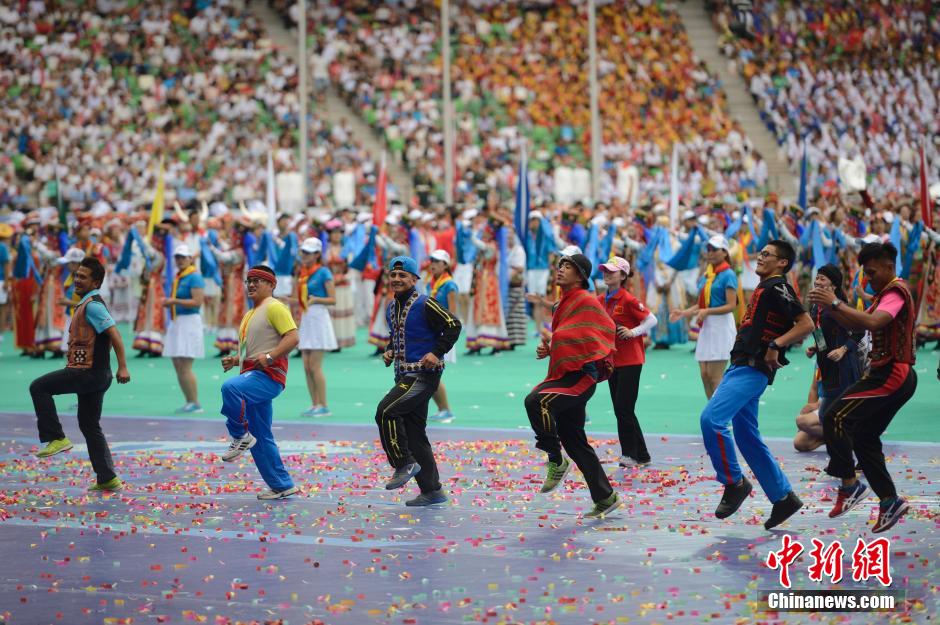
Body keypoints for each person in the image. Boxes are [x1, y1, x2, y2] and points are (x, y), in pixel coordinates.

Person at [699, 240, 814, 530]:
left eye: (766, 254)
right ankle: (783, 497)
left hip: (751, 369)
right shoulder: (765, 287)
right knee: (747, 436)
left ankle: (734, 483)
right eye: (760, 253)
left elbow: (806, 324)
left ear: (782, 263)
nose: (760, 258)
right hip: (742, 365)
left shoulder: (778, 286)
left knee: (711, 420)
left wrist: (776, 345)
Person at [808, 242, 918, 533]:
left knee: (834, 416)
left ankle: (849, 485)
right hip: (892, 374)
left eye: (871, 273)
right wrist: (830, 306)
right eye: (865, 274)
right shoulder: (884, 293)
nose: (868, 279)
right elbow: (858, 325)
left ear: (889, 267)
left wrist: (834, 303)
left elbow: (872, 321)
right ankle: (889, 501)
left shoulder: (895, 292)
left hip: (891, 374)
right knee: (863, 436)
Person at [524, 253, 622, 518]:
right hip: (566, 373)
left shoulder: (586, 301)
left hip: (581, 376)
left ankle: (556, 460)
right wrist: (551, 348)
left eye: (567, 267)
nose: (560, 270)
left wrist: (562, 342)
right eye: (560, 266)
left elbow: (604, 329)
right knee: (575, 441)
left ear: (580, 276)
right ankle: (606, 497)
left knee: (536, 401)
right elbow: (569, 336)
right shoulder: (560, 304)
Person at [29, 257, 131, 492]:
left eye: (83, 277)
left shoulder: (93, 306)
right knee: (89, 425)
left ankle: (56, 437)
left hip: (87, 373)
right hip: (97, 375)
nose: (77, 280)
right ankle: (107, 477)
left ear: (96, 283)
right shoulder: (86, 303)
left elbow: (115, 335)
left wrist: (123, 366)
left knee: (39, 387)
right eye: (77, 275)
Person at [376, 256, 461, 506]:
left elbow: (453, 325)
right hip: (404, 375)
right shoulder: (391, 307)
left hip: (423, 376)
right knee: (414, 434)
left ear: (414, 279)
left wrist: (436, 352)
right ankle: (432, 490)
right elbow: (397, 335)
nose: (397, 279)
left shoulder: (426, 303)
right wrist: (390, 350)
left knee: (386, 411)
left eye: (403, 275)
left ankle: (403, 462)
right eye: (393, 275)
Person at [219, 265, 300, 500]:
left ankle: (239, 435)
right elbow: (255, 351)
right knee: (261, 436)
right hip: (254, 375)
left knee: (230, 388)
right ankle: (282, 485)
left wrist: (271, 356)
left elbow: (293, 337)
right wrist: (237, 360)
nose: (252, 284)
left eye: (258, 280)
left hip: (268, 376)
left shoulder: (275, 307)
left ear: (272, 285)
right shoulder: (250, 314)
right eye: (249, 280)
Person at [795, 263, 863, 451]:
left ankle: (855, 442)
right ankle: (840, 441)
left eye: (822, 279)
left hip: (844, 370)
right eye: (817, 278)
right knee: (823, 420)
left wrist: (843, 349)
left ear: (833, 286)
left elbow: (859, 331)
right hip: (827, 370)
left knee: (833, 416)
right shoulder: (815, 309)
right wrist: (817, 348)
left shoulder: (839, 307)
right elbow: (820, 334)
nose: (817, 281)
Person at [598, 256, 658, 468]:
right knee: (622, 409)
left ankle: (630, 455)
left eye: (612, 271)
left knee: (624, 408)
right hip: (612, 361)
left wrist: (633, 332)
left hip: (631, 361)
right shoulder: (601, 300)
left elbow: (651, 320)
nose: (607, 274)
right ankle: (642, 455)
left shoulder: (629, 299)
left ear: (623, 276)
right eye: (605, 270)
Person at [670, 235, 739, 398]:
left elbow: (731, 305)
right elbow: (702, 304)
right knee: (705, 375)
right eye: (708, 249)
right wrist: (684, 313)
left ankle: (720, 412)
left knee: (715, 377)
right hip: (707, 326)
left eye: (715, 249)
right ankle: (712, 410)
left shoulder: (728, 274)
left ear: (725, 252)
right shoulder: (707, 274)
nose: (710, 252)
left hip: (721, 327)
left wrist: (707, 312)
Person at [295, 237, 337, 417]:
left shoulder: (324, 272)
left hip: (319, 318)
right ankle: (314, 404)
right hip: (306, 318)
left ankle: (324, 405)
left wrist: (315, 300)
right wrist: (285, 300)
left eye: (309, 252)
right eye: (303, 252)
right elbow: (301, 299)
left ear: (317, 254)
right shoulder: (302, 272)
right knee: (306, 365)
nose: (305, 255)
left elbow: (333, 299)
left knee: (314, 365)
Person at [163, 244, 206, 413]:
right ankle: (189, 401)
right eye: (177, 257)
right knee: (178, 365)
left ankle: (195, 402)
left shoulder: (194, 277)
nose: (180, 260)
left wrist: (174, 301)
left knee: (185, 366)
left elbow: (197, 302)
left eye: (183, 257)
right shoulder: (179, 276)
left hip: (189, 323)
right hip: (177, 322)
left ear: (190, 259)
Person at [426, 249, 459, 424]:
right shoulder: (430, 282)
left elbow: (453, 313)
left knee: (433, 373)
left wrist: (446, 336)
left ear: (445, 265)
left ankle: (446, 410)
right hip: (431, 331)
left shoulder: (449, 285)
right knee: (429, 373)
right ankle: (442, 409)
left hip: (442, 333)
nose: (432, 264)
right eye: (431, 261)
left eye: (437, 261)